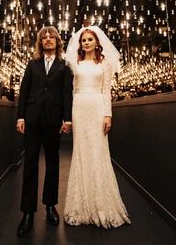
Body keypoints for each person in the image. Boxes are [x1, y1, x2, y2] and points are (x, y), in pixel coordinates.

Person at [64, 25, 131, 228]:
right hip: (79, 107)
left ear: (97, 42)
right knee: (81, 152)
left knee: (98, 151)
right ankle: (81, 205)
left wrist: (108, 115)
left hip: (97, 107)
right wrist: (68, 117)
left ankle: (101, 204)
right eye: (83, 40)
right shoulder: (74, 64)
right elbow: (71, 90)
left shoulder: (105, 64)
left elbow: (106, 91)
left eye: (89, 40)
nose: (86, 43)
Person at [16, 26, 73, 237]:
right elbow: (24, 92)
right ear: (40, 43)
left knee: (52, 164)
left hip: (53, 121)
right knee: (30, 165)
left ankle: (50, 206)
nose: (48, 40)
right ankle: (28, 213)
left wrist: (67, 119)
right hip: (31, 120)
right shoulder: (32, 65)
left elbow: (67, 95)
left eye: (51, 37)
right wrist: (20, 117)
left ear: (58, 42)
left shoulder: (64, 67)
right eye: (44, 37)